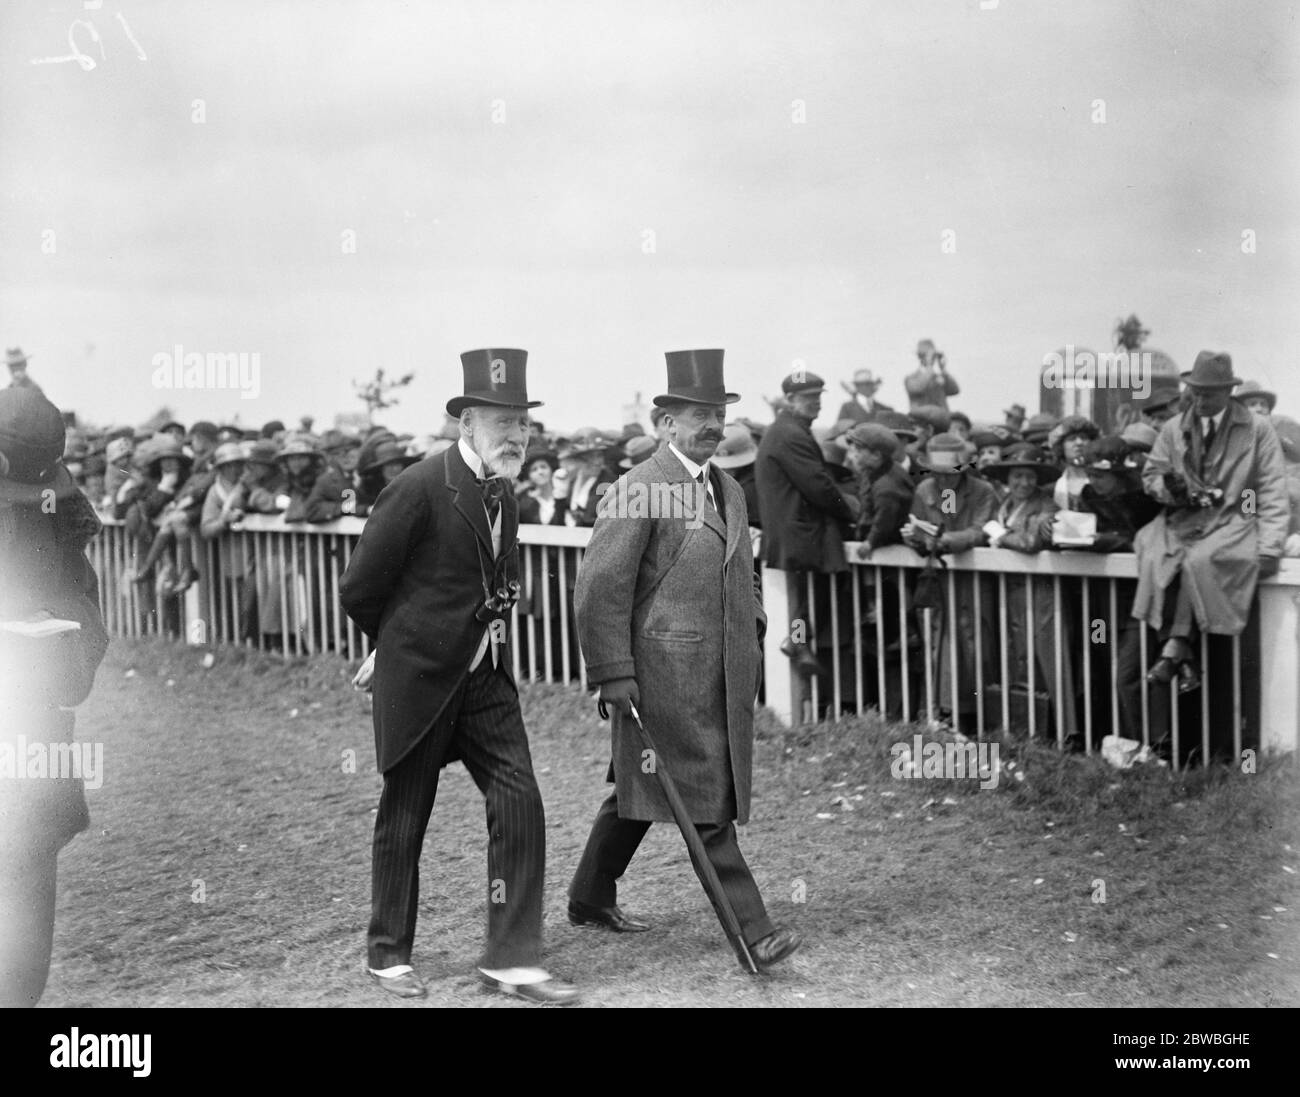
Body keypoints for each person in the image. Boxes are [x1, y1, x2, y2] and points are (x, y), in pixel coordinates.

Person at [340, 348, 577, 1005]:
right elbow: (360, 586)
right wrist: (392, 645)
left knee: (521, 800)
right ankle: (388, 954)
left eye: (524, 424)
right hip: (420, 679)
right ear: (467, 422)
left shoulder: (508, 492)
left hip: (486, 680)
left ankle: (513, 959)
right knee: (407, 814)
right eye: (503, 422)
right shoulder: (419, 485)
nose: (517, 435)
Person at [569, 348, 801, 972]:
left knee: (636, 787)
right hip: (659, 679)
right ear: (664, 423)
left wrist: (751, 624)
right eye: (696, 414)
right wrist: (613, 672)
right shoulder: (637, 488)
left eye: (718, 414)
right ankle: (754, 932)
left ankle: (589, 896)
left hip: (720, 677)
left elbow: (744, 572)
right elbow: (599, 588)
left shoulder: (727, 488)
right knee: (703, 801)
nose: (711, 426)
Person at [0, 388, 109, 1006]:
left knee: (23, 877)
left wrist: (56, 638)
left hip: (30, 736)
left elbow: (88, 628)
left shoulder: (60, 527)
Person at [1133, 351, 1288, 696]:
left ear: (1228, 392)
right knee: (1153, 553)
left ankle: (1173, 650)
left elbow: (1272, 491)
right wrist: (1171, 490)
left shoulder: (1257, 429)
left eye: (1209, 394)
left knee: (1200, 561)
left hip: (1235, 517)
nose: (1199, 400)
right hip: (1182, 519)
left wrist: (1269, 547)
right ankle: (1182, 656)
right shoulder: (1175, 428)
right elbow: (1151, 474)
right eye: (1196, 392)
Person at [755, 369, 860, 678]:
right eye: (808, 398)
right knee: (815, 593)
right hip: (802, 532)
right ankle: (800, 642)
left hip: (797, 530)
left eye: (818, 397)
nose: (816, 404)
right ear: (789, 399)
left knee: (810, 596)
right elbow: (819, 485)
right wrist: (852, 513)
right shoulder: (790, 433)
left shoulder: (786, 429)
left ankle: (800, 641)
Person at [903, 433, 998, 727]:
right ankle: (942, 710)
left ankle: (979, 714)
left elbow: (982, 530)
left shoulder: (983, 491)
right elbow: (918, 529)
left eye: (950, 473)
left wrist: (945, 541)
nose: (944, 479)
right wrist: (914, 538)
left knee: (975, 642)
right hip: (937, 576)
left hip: (972, 579)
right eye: (938, 472)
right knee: (938, 641)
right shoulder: (924, 490)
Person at [983, 443, 1077, 738]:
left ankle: (1065, 730)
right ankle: (1026, 729)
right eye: (1017, 476)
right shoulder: (1002, 504)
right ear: (1007, 478)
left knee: (1049, 655)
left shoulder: (1047, 506)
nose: (1024, 483)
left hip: (1042, 592)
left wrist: (1000, 535)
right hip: (1012, 591)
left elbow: (1031, 542)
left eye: (1030, 477)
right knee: (1018, 656)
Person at [903, 339, 959, 412]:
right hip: (920, 419)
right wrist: (929, 366)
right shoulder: (911, 378)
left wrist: (943, 369)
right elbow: (918, 388)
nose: (933, 359)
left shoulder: (938, 378)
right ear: (920, 357)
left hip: (941, 419)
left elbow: (954, 390)